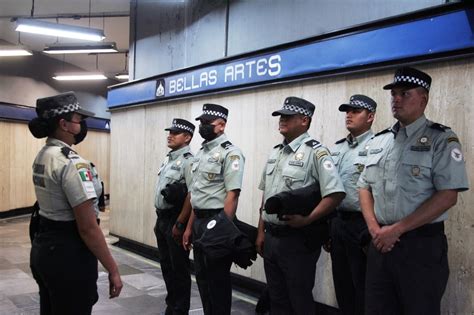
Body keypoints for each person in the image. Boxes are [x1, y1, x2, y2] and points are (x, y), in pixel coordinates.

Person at [358, 67, 469, 315]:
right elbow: (364, 186)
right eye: (393, 94)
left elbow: (448, 195)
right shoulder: (380, 141)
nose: (396, 100)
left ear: (423, 99)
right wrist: (375, 229)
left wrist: (397, 229)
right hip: (380, 244)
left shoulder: (441, 139)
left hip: (420, 248)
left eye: (404, 94)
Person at [28, 91, 123, 315]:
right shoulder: (71, 163)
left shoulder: (44, 155)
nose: (82, 124)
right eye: (78, 119)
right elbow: (88, 227)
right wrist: (113, 268)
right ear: (64, 124)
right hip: (69, 255)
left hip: (45, 247)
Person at [256, 96, 346, 315]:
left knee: (300, 300)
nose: (282, 120)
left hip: (297, 241)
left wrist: (308, 219)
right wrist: (260, 231)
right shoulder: (275, 152)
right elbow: (266, 196)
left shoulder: (316, 152)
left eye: (288, 116)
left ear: (304, 120)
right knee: (277, 300)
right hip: (271, 237)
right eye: (281, 116)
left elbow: (335, 194)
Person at [182, 103, 245, 315]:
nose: (202, 126)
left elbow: (232, 195)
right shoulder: (200, 153)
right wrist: (189, 227)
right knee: (202, 279)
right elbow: (197, 196)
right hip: (199, 221)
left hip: (217, 222)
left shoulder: (231, 153)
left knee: (217, 282)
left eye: (207, 123)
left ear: (221, 125)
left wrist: (220, 231)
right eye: (200, 122)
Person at [329, 94, 377, 315]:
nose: (349, 115)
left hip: (363, 225)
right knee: (342, 285)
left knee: (364, 287)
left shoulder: (378, 146)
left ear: (370, 117)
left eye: (355, 111)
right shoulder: (337, 149)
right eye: (347, 111)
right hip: (338, 222)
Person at [154, 118, 195, 315]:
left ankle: (180, 310)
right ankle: (172, 305)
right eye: (169, 131)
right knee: (166, 266)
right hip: (161, 219)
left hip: (175, 219)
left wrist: (180, 223)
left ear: (187, 137)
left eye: (175, 133)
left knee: (178, 269)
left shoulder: (189, 161)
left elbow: (192, 194)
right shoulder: (169, 158)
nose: (169, 135)